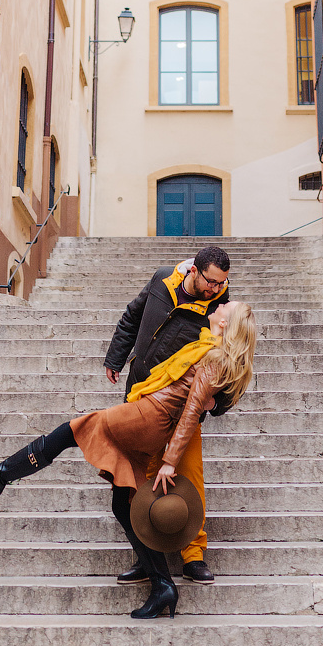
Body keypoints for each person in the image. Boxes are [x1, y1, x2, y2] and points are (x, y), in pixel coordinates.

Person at [0, 300, 256, 621]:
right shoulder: (206, 347)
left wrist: (170, 461)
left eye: (229, 306)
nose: (222, 304)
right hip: (149, 416)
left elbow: (192, 411)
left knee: (71, 431)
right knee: (123, 504)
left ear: (226, 324)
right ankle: (162, 585)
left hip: (147, 418)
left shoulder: (212, 358)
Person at [103, 244, 231, 585]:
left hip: (184, 405)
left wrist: (218, 402)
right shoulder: (162, 280)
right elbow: (132, 316)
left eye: (222, 283)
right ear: (193, 270)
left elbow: (231, 362)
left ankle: (193, 556)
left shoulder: (220, 308)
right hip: (143, 395)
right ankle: (147, 556)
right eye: (210, 282)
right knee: (139, 478)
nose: (215, 289)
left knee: (190, 474)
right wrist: (116, 358)